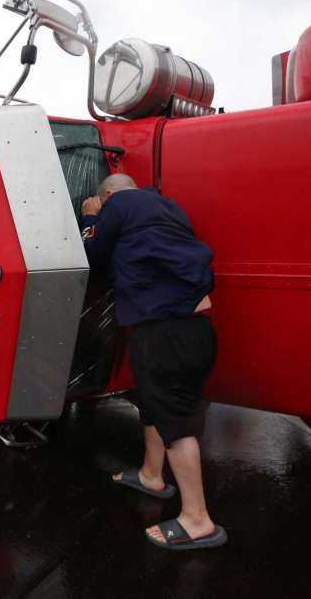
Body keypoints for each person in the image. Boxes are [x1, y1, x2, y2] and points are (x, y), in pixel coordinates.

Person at [80, 173, 227, 551]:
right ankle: (150, 475)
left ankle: (197, 520)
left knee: (175, 423)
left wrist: (92, 218)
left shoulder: (119, 204)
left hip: (164, 331)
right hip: (194, 329)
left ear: (109, 194)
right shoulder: (169, 208)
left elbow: (92, 256)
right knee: (154, 404)